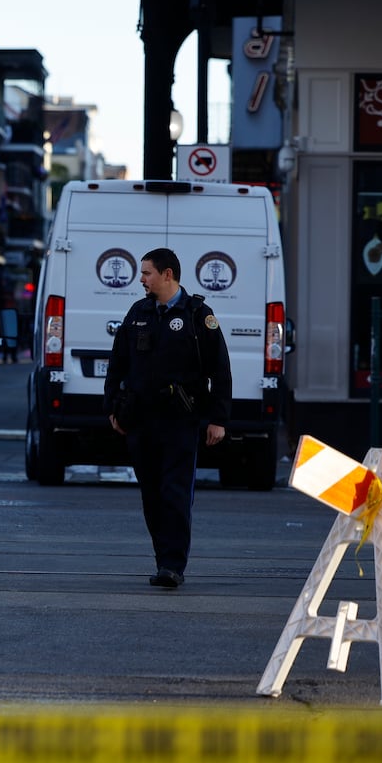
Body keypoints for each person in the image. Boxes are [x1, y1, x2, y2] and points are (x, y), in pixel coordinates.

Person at [104, 247, 232, 589]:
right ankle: (163, 558)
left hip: (180, 421)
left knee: (175, 493)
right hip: (141, 421)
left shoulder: (197, 315)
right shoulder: (137, 313)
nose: (141, 279)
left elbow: (220, 370)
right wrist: (113, 408)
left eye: (146, 273)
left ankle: (172, 566)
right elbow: (117, 364)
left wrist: (218, 418)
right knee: (151, 494)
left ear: (168, 275)